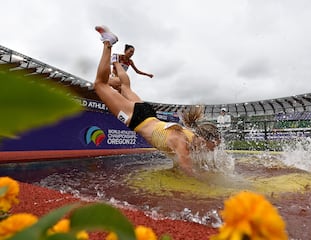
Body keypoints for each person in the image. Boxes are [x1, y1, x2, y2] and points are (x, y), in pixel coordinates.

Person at [94, 26, 220, 175]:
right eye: (211, 147)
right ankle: (108, 43)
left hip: (148, 114)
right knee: (99, 84)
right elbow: (191, 175)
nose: (211, 150)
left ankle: (115, 63)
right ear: (202, 138)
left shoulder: (192, 136)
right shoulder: (182, 143)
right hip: (137, 118)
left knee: (124, 87)